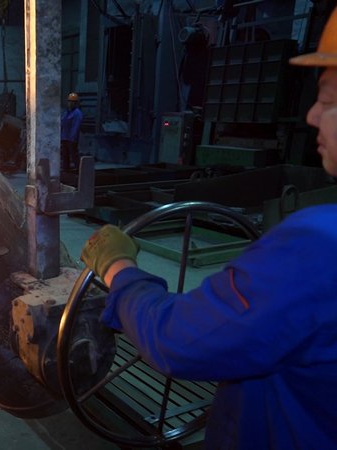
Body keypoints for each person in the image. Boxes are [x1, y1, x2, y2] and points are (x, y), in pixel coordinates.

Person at [78, 11, 337, 449]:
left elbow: (175, 339)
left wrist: (118, 267)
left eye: (328, 99)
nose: (311, 114)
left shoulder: (318, 246)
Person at [60, 92, 83, 171]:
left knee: (74, 155)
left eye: (72, 102)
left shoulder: (77, 113)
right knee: (65, 155)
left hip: (71, 139)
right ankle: (66, 169)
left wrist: (72, 138)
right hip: (65, 137)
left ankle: (79, 170)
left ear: (76, 103)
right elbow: (63, 123)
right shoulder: (67, 112)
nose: (70, 103)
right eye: (69, 101)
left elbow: (76, 127)